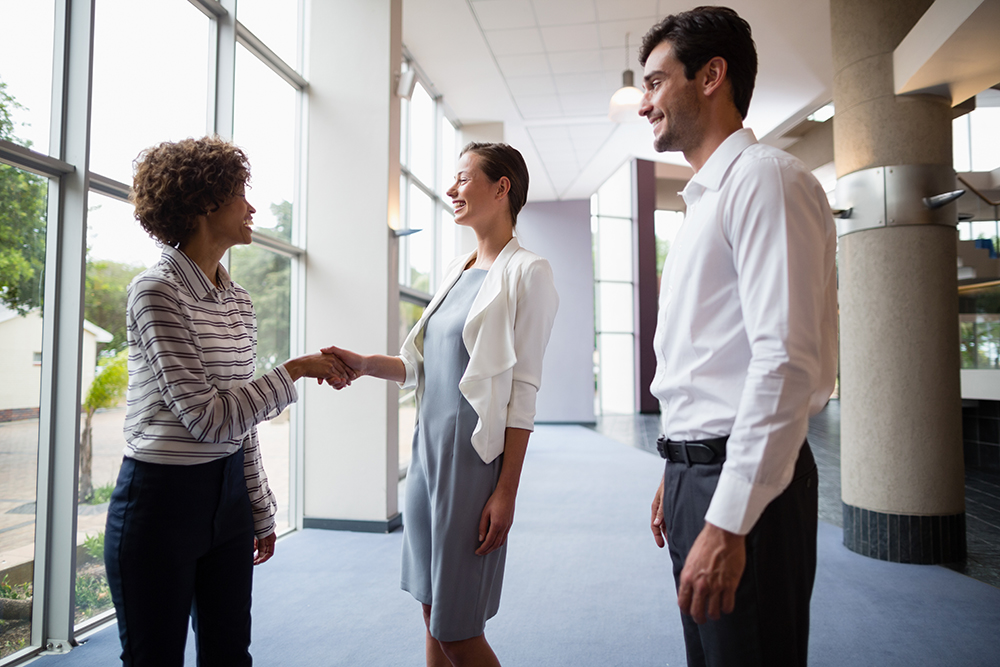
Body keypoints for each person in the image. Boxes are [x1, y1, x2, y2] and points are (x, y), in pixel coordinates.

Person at [638, 7, 837, 667]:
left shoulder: (765, 179)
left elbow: (784, 363)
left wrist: (727, 519)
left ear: (711, 75)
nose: (645, 104)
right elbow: (711, 360)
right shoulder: (706, 200)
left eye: (656, 82)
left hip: (745, 485)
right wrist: (678, 461)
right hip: (702, 472)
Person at [104, 136, 351, 666]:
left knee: (230, 657)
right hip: (160, 504)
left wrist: (256, 506)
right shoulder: (155, 292)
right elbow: (208, 419)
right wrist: (295, 371)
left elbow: (242, 420)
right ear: (206, 203)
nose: (252, 207)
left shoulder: (238, 300)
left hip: (228, 500)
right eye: (242, 193)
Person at [323, 142, 558, 667]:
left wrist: (506, 492)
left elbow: (523, 395)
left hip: (474, 467)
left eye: (462, 178)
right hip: (427, 462)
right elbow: (423, 366)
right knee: (432, 615)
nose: (451, 190)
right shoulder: (457, 268)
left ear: (502, 188)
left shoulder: (529, 272)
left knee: (458, 630)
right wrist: (364, 364)